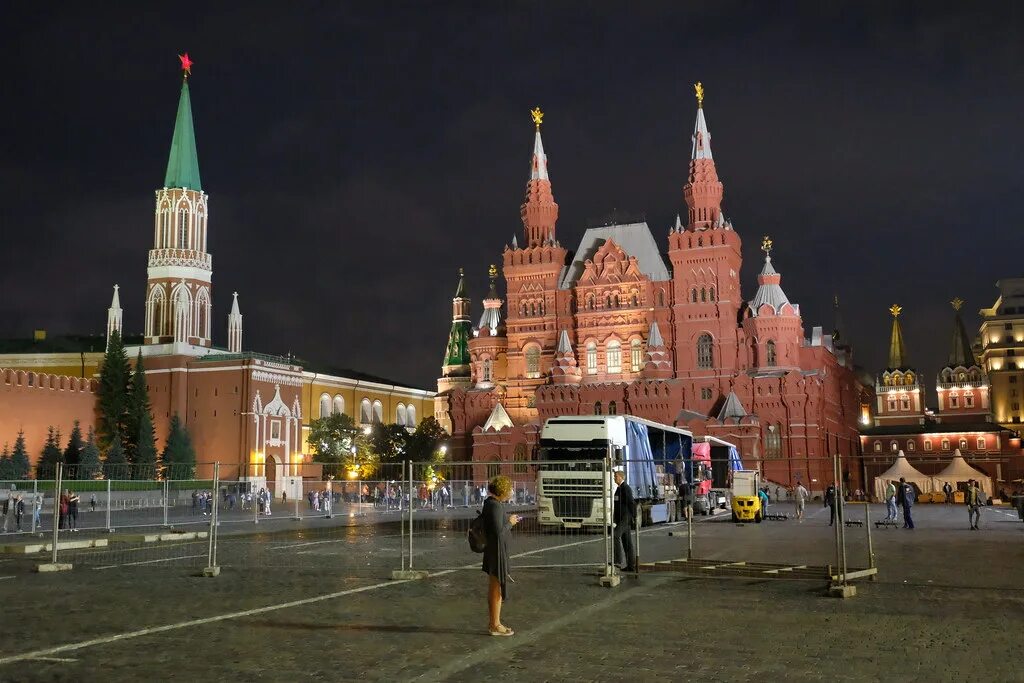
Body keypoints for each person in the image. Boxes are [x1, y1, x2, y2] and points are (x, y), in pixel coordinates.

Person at [482, 475, 519, 637]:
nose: (511, 491)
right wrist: (510, 522)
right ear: (502, 490)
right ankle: (495, 625)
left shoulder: (490, 504)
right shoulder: (495, 506)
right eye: (510, 489)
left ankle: (494, 623)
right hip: (496, 551)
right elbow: (499, 532)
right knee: (496, 588)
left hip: (494, 550)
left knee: (494, 586)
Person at [612, 470, 637, 572]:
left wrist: (634, 517)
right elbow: (617, 505)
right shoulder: (619, 488)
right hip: (621, 518)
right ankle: (631, 566)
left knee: (616, 535)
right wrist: (615, 518)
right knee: (627, 542)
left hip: (625, 517)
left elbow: (631, 503)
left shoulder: (625, 488)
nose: (614, 478)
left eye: (616, 476)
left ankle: (617, 561)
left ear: (621, 477)